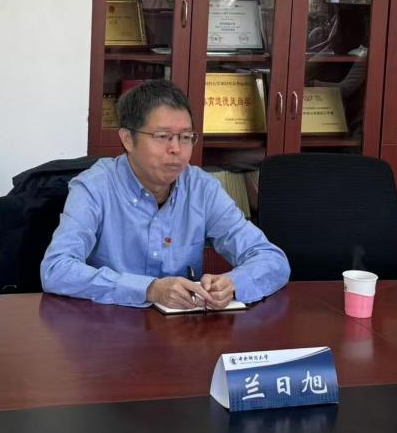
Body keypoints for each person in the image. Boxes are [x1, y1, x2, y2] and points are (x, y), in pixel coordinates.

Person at [40, 79, 289, 310]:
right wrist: (149, 289)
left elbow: (271, 259)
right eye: (162, 137)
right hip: (109, 327)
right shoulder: (94, 188)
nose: (176, 149)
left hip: (182, 332)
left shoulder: (202, 189)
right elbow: (56, 269)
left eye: (185, 137)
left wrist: (233, 283)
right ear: (128, 139)